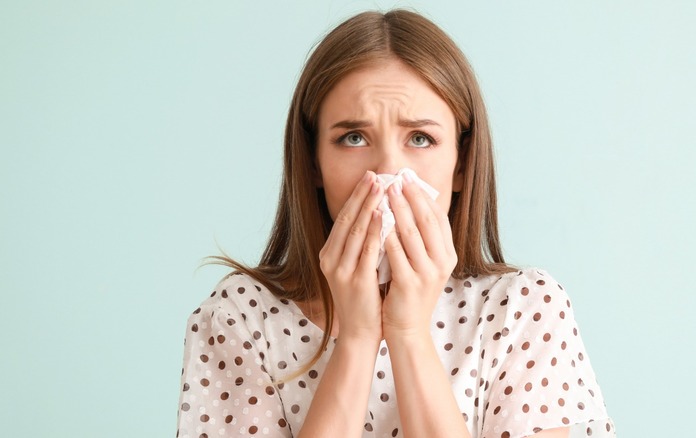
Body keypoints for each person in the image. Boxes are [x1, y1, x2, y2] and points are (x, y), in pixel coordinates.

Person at [176, 9, 615, 438]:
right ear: (313, 163)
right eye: (353, 138)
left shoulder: (522, 310)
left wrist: (408, 335)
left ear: (460, 165)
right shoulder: (238, 317)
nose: (387, 171)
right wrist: (358, 338)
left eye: (420, 138)